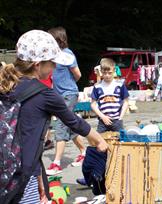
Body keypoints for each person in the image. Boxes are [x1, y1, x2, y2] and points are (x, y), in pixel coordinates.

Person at [0, 29, 108, 204]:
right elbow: (74, 121)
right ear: (37, 64)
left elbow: (23, 138)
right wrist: (100, 141)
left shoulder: (5, 85)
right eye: (52, 62)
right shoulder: (44, 95)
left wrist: (39, 177)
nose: (56, 67)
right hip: (21, 179)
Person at [77, 58, 129, 194]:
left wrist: (120, 116)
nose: (106, 75)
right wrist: (102, 116)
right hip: (103, 122)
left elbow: (126, 101)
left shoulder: (120, 85)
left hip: (117, 122)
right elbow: (93, 104)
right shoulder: (97, 87)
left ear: (114, 71)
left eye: (109, 72)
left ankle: (118, 175)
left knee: (119, 148)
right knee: (99, 149)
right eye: (104, 72)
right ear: (101, 72)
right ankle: (94, 176)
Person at [46, 26, 87, 176]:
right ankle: (84, 151)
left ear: (58, 40)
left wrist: (69, 87)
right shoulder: (53, 57)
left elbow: (78, 75)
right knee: (70, 124)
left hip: (69, 94)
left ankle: (56, 163)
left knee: (61, 125)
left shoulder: (68, 55)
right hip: (59, 95)